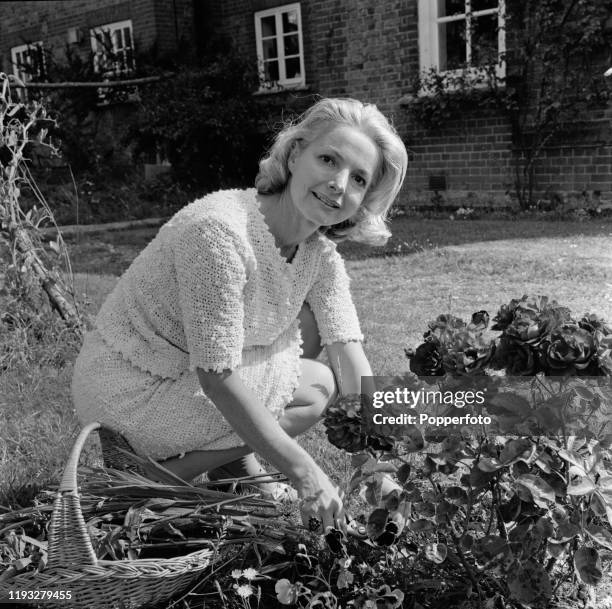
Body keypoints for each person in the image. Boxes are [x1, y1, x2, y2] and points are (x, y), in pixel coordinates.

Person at [72, 97, 408, 533]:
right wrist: (304, 472)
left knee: (314, 344)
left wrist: (376, 461)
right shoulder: (219, 231)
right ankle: (148, 481)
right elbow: (217, 375)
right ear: (293, 154)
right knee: (314, 387)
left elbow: (349, 352)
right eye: (328, 159)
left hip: (182, 374)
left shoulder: (318, 254)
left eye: (358, 178)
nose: (339, 185)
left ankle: (239, 475)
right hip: (128, 387)